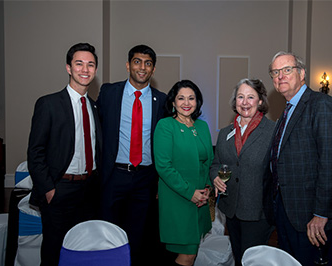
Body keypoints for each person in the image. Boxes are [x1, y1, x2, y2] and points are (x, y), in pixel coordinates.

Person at [264, 51, 332, 266]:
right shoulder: (287, 111)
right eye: (275, 72)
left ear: (301, 73)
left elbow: (331, 163)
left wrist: (321, 213)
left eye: (286, 70)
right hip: (288, 211)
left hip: (314, 216)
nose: (280, 76)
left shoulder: (321, 105)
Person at [27, 43, 102, 266]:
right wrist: (49, 189)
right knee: (54, 250)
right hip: (60, 190)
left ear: (95, 70)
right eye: (79, 64)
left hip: (88, 191)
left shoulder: (94, 107)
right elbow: (35, 152)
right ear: (69, 68)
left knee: (82, 250)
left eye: (90, 65)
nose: (85, 69)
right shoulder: (48, 104)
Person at [97, 44, 167, 265]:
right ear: (128, 65)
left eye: (148, 63)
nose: (142, 67)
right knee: (108, 231)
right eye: (137, 62)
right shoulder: (108, 93)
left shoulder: (162, 100)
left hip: (144, 178)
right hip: (114, 174)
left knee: (138, 235)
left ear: (153, 69)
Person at [210, 78, 275, 266]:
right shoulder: (225, 133)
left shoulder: (272, 131)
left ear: (260, 101)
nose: (245, 102)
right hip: (231, 210)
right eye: (240, 97)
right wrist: (215, 177)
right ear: (235, 101)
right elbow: (216, 164)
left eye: (250, 97)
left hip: (258, 211)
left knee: (253, 261)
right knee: (238, 258)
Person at [153, 80, 213, 266]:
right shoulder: (165, 126)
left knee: (192, 254)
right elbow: (164, 166)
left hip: (200, 200)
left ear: (197, 102)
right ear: (173, 102)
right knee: (187, 255)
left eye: (191, 98)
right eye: (181, 98)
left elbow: (208, 162)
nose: (186, 103)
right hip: (177, 199)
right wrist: (190, 193)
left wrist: (207, 188)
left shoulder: (202, 127)